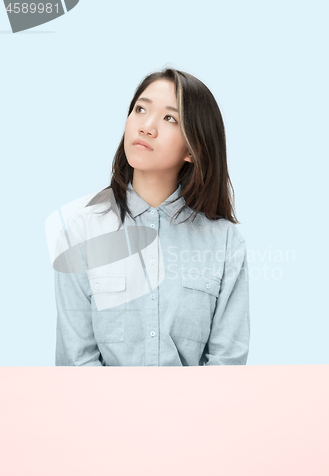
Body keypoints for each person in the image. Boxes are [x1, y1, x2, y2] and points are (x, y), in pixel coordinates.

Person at [53, 68, 250, 367]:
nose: (146, 126)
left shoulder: (224, 242)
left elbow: (227, 361)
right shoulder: (82, 232)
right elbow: (76, 359)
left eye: (170, 118)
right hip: (103, 412)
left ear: (193, 150)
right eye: (140, 109)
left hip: (195, 412)